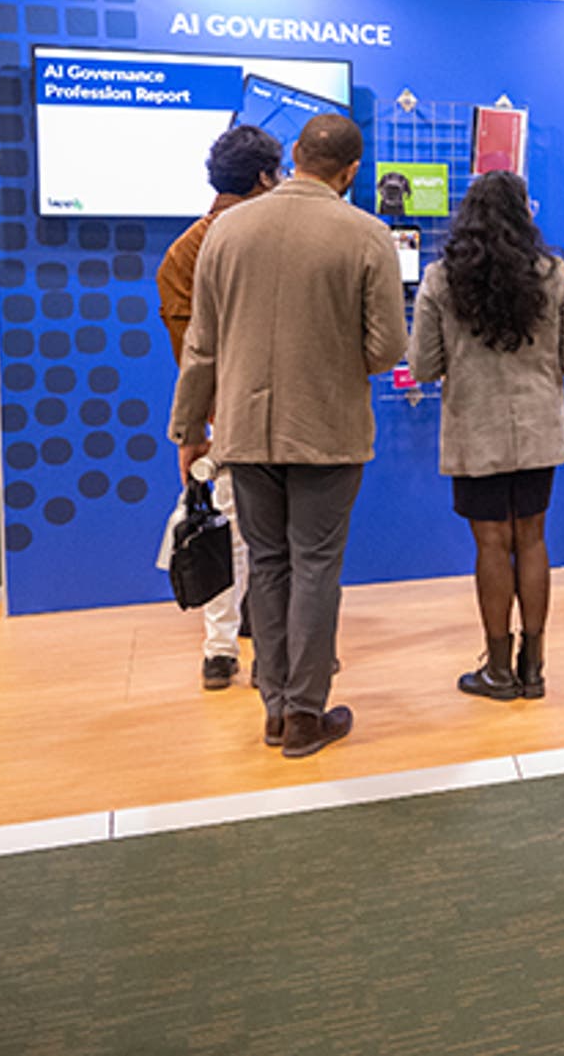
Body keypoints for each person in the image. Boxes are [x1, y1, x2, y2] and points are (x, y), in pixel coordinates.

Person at [169, 113, 406, 758]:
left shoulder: (225, 232)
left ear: (294, 154)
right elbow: (387, 350)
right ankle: (305, 712)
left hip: (242, 431)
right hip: (327, 429)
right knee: (317, 566)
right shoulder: (368, 234)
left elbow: (202, 344)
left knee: (268, 565)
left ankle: (274, 707)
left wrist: (189, 429)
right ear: (352, 172)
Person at [409, 171, 564, 701]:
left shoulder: (441, 279)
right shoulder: (554, 275)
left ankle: (497, 669)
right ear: (525, 214)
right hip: (538, 431)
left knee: (491, 544)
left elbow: (422, 365)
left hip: (474, 430)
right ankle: (535, 667)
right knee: (532, 539)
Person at [156, 124, 281, 690]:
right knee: (289, 536)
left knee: (222, 529)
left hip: (224, 415)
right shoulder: (278, 238)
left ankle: (219, 650)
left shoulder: (183, 252)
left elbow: (190, 353)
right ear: (264, 177)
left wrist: (192, 430)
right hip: (290, 410)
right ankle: (278, 654)